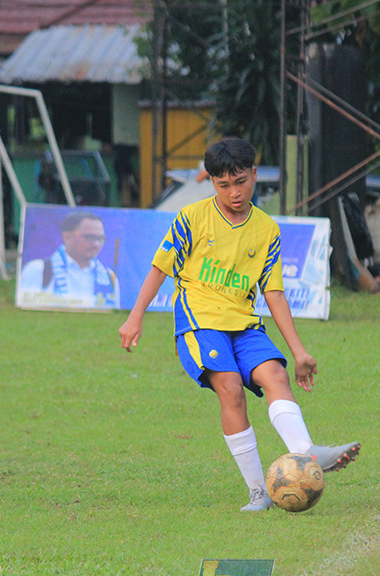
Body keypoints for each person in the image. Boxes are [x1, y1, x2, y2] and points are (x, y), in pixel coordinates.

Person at [118, 137, 360, 511]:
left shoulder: (267, 229)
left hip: (245, 325)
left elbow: (273, 293)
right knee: (230, 388)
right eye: (224, 185)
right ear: (213, 183)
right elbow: (159, 268)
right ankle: (259, 492)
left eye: (241, 182)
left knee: (276, 374)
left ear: (254, 174)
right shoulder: (191, 218)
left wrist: (299, 352)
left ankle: (306, 452)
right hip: (199, 324)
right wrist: (135, 317)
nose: (234, 192)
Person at [19, 211, 120, 308]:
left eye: (100, 239)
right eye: (89, 237)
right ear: (67, 237)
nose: (96, 244)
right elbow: (25, 309)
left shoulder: (109, 277)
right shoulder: (38, 269)